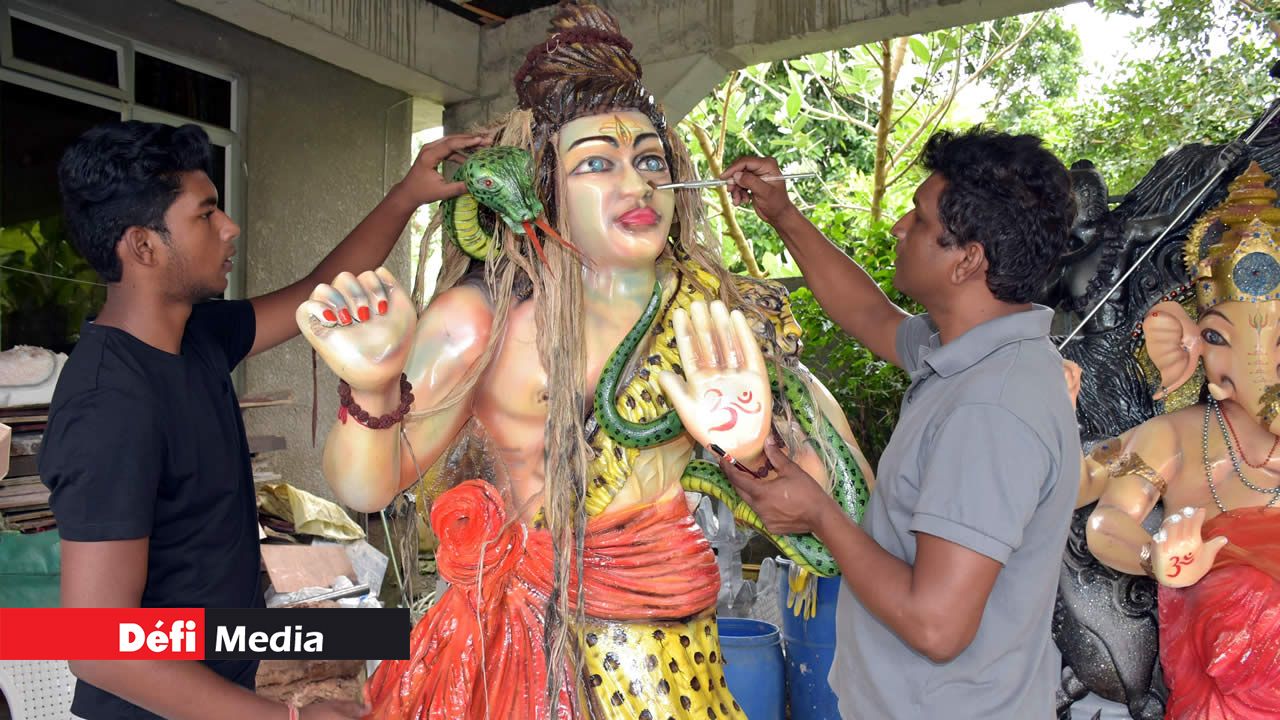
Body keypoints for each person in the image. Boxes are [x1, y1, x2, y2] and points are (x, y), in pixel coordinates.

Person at [298, 2, 873, 717]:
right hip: (514, 651)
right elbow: (367, 486)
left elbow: (839, 510)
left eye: (650, 161)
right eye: (597, 162)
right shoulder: (485, 320)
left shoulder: (711, 314)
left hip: (666, 656)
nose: (636, 186)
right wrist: (373, 388)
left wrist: (754, 452)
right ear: (542, 182)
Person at [38, 119, 486, 720]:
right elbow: (99, 651)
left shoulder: (193, 338)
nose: (230, 228)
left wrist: (408, 192)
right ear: (142, 245)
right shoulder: (109, 407)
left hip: (217, 685)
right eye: (206, 215)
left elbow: (316, 291)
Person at [718, 128, 1081, 719]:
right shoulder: (974, 351)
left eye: (917, 218)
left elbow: (936, 624)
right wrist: (782, 214)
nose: (899, 229)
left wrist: (819, 514)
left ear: (968, 260)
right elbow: (870, 316)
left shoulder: (991, 408)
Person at [1077, 161, 1280, 719]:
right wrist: (1152, 556)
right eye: (1219, 337)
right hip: (1226, 648)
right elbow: (1107, 520)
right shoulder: (1174, 434)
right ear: (1186, 345)